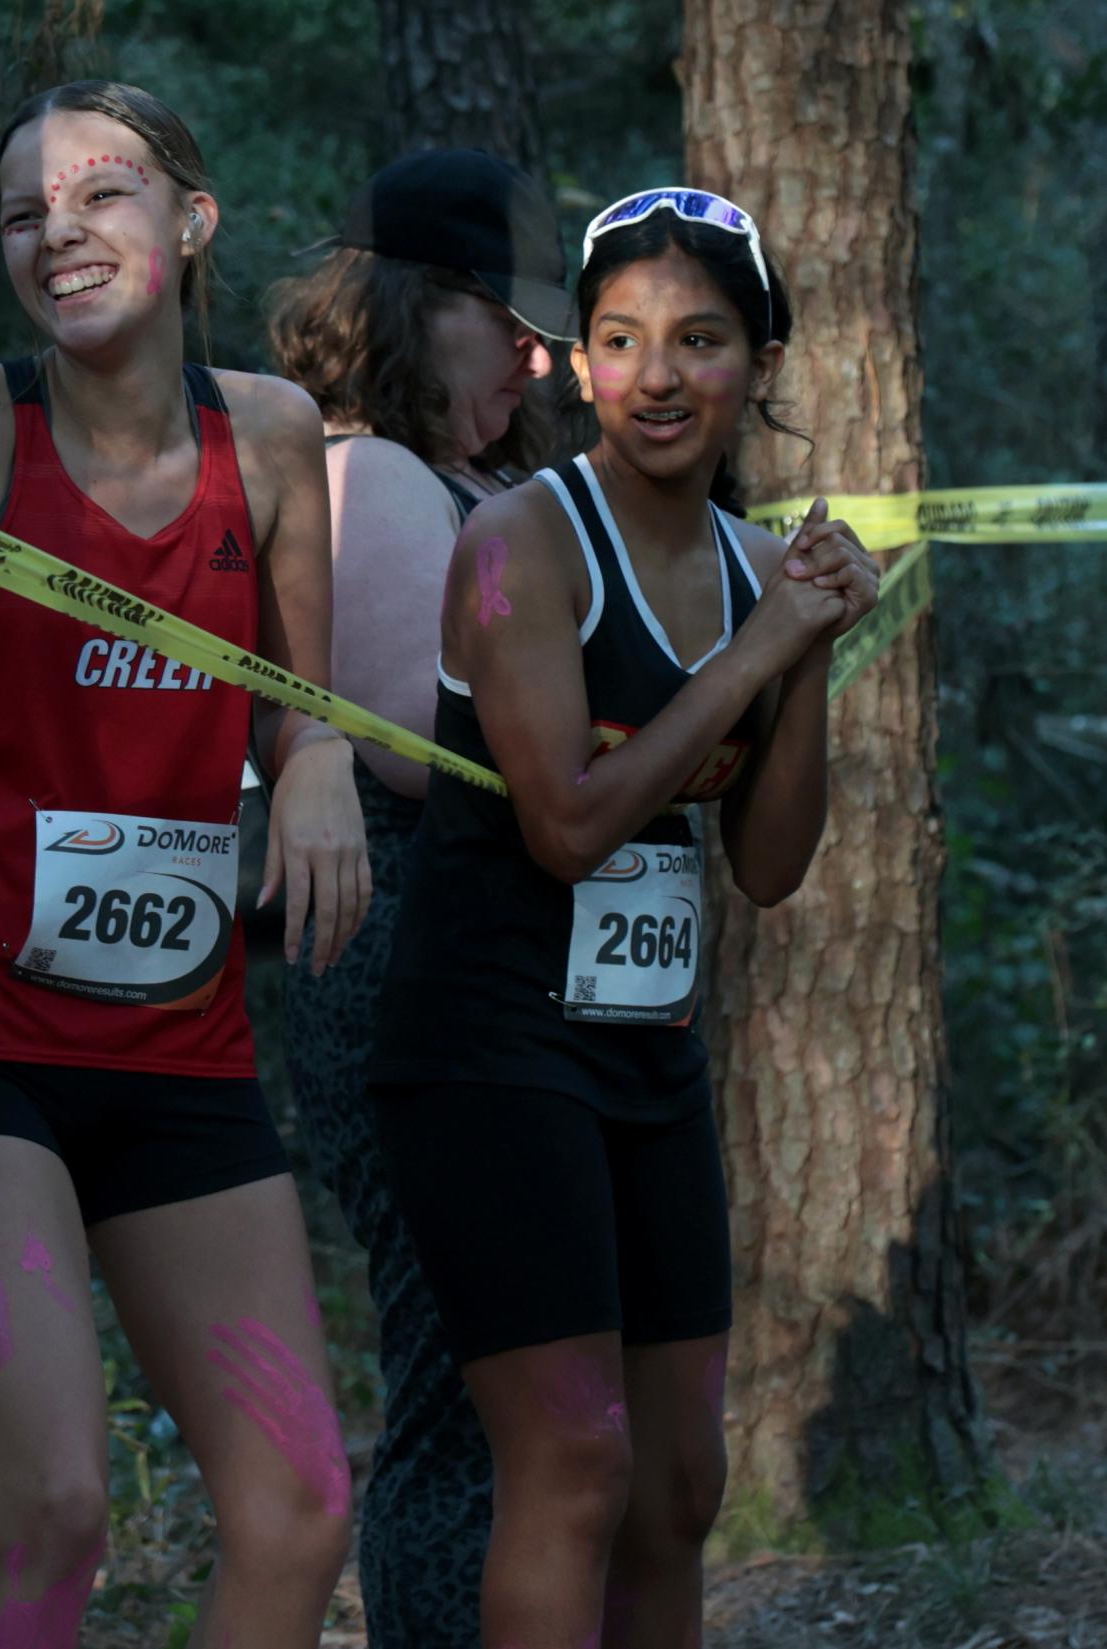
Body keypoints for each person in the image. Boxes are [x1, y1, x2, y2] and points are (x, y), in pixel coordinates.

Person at [0, 79, 369, 1649]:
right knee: (55, 1503)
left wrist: (315, 758)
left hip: (181, 1048)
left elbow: (293, 711)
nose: (60, 232)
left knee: (300, 1512)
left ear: (190, 224)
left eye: (101, 194)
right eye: (24, 213)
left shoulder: (265, 436)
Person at [368, 188, 880, 1647]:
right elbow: (569, 825)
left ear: (759, 364)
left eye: (699, 340)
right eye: (619, 339)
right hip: (484, 1046)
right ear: (577, 363)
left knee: (678, 1482)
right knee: (574, 1461)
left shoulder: (746, 568)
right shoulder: (520, 542)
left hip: (645, 1054)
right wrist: (761, 645)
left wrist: (810, 656)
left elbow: (769, 863)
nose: (656, 375)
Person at [263, 149, 571, 1646]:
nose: (534, 353)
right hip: (408, 969)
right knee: (463, 1392)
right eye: (501, 320)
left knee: (529, 1389)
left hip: (502, 979)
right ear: (411, 303)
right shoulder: (367, 471)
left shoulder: (474, 480)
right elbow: (409, 743)